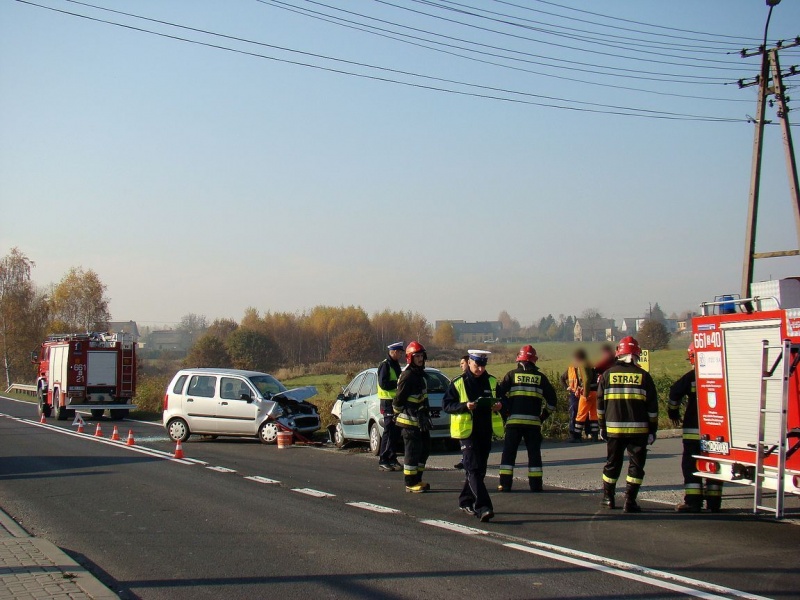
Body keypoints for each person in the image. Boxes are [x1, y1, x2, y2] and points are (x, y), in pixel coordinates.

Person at [597, 336, 659, 513]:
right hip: (639, 431)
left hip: (614, 430)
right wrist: (652, 430)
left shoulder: (607, 375)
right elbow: (652, 408)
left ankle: (608, 499)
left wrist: (602, 426)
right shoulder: (644, 376)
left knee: (612, 463)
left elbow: (600, 405)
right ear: (636, 355)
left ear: (619, 354)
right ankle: (630, 501)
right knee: (636, 466)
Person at [443, 350, 505, 522]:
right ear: (469, 362)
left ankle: (465, 500)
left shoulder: (492, 381)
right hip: (467, 433)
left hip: (485, 431)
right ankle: (483, 507)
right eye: (477, 365)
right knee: (474, 469)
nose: (480, 369)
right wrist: (464, 406)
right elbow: (446, 405)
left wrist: (500, 405)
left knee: (480, 470)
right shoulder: (458, 382)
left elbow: (503, 400)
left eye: (483, 366)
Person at [669, 344, 722, 513]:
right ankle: (714, 502)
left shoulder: (693, 376)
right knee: (715, 463)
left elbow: (675, 392)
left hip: (693, 429)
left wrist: (673, 413)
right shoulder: (722, 375)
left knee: (691, 464)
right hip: (717, 430)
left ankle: (693, 501)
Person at [497, 345, 557, 493]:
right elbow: (552, 401)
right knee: (534, 454)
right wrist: (543, 416)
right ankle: (536, 485)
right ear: (533, 360)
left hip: (513, 423)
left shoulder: (511, 375)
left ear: (519, 359)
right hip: (533, 424)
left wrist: (506, 412)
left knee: (509, 454)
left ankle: (505, 485)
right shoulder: (540, 378)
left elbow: (498, 396)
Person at [393, 341, 432, 493]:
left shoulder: (419, 374)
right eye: (417, 356)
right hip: (409, 421)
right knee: (412, 452)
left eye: (421, 356)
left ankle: (418, 478)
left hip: (420, 421)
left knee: (425, 449)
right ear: (410, 358)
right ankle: (410, 483)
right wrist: (397, 414)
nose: (420, 359)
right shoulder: (408, 375)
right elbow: (398, 400)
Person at [376, 342, 405, 471]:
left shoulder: (395, 365)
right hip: (387, 402)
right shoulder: (385, 365)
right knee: (389, 431)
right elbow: (384, 384)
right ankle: (383, 459)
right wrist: (398, 383)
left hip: (395, 401)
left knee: (396, 431)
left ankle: (392, 458)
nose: (400, 354)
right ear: (392, 351)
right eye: (398, 352)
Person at [564, 349, 593, 443]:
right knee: (575, 413)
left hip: (582, 393)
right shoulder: (571, 368)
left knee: (584, 414)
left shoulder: (585, 366)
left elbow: (586, 380)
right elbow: (562, 378)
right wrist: (567, 387)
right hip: (574, 394)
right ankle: (575, 435)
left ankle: (585, 433)